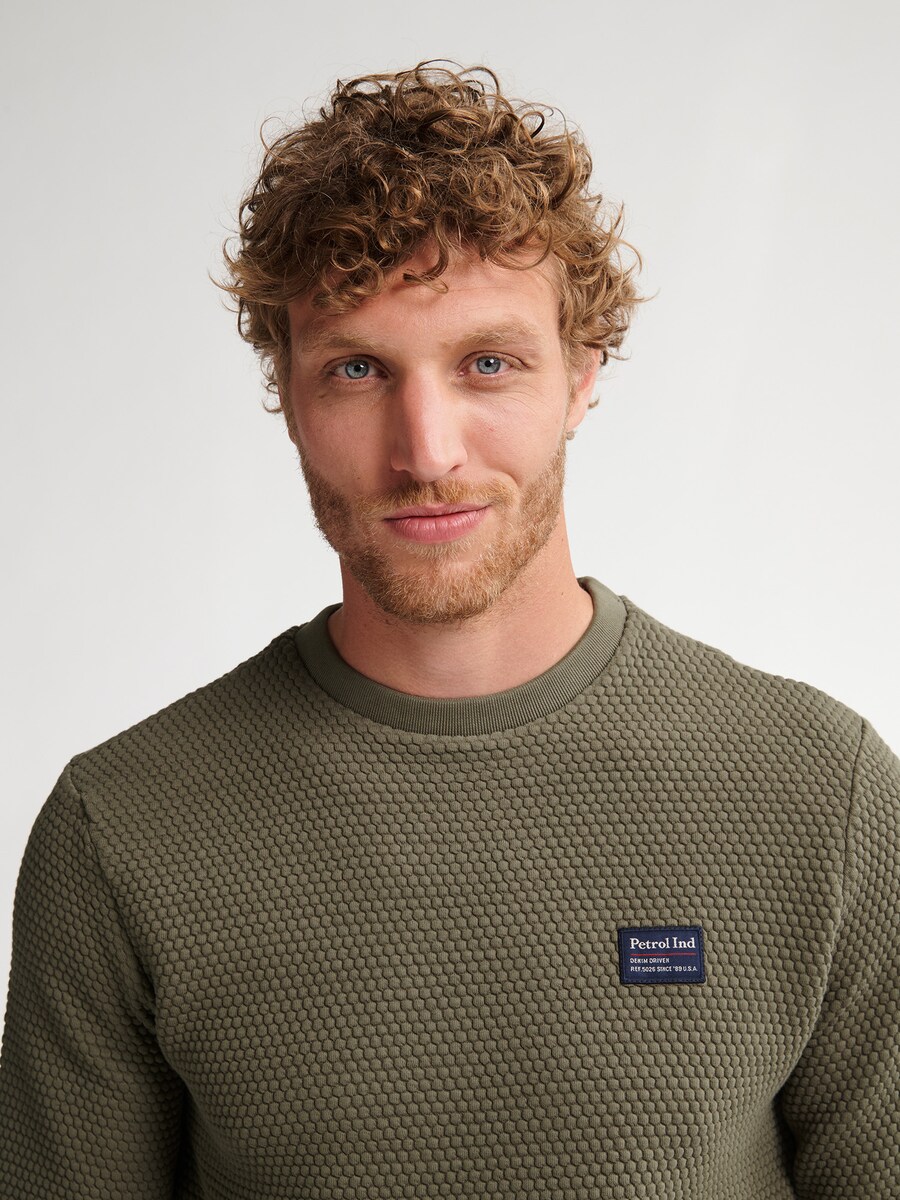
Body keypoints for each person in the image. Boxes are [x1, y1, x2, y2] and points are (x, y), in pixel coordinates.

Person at [0, 60, 897, 1200]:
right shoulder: (122, 828)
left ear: (582, 375)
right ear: (288, 392)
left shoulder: (819, 792)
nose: (425, 450)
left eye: (488, 363)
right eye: (357, 369)